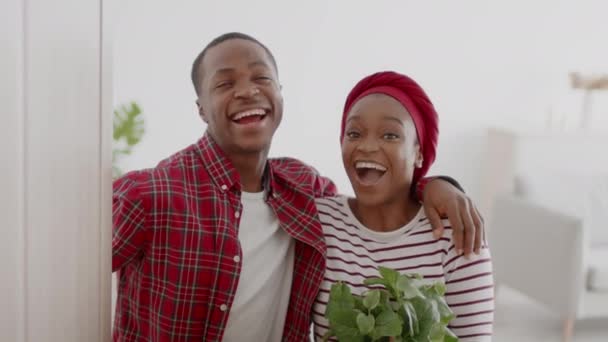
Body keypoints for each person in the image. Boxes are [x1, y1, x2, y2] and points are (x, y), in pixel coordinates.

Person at [112, 32, 485, 341]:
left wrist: (436, 185)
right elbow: (62, 272)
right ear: (201, 109)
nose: (246, 91)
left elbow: (378, 200)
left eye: (261, 78)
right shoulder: (150, 194)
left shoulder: (302, 192)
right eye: (225, 83)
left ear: (279, 93)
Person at [313, 71, 494, 341]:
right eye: (354, 133)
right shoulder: (319, 221)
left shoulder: (454, 233)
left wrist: (433, 184)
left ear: (419, 153)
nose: (368, 146)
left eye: (390, 135)